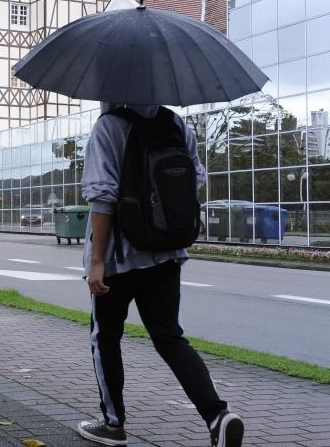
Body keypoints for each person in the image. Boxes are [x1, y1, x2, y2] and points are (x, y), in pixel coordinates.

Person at [77, 103, 244, 447]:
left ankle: (112, 424)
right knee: (170, 337)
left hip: (118, 258)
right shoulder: (176, 123)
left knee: (105, 337)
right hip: (168, 253)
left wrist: (96, 260)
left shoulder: (109, 126)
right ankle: (217, 416)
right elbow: (194, 179)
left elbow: (102, 196)